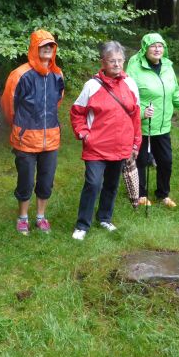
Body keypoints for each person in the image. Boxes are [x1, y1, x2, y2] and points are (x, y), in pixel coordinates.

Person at [70, 41, 141, 240]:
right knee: (93, 183)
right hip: (96, 147)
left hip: (121, 146)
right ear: (103, 62)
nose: (117, 64)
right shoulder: (92, 86)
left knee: (112, 184)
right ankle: (82, 225)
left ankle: (105, 218)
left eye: (120, 60)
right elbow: (77, 112)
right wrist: (84, 133)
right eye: (112, 61)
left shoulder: (130, 84)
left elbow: (136, 116)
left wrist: (136, 143)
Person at [125, 32, 179, 207]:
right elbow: (127, 97)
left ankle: (163, 194)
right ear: (145, 48)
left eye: (160, 46)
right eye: (153, 46)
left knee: (166, 161)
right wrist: (140, 113)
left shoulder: (168, 67)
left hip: (162, 126)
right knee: (141, 160)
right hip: (144, 124)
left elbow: (175, 93)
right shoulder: (134, 68)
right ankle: (140, 194)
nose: (157, 49)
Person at [0, 29, 65, 234]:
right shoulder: (20, 75)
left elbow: (57, 101)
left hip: (51, 139)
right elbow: (9, 105)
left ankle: (40, 216)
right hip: (26, 138)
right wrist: (20, 126)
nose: (47, 49)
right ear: (34, 48)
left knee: (46, 180)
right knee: (25, 180)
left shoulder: (57, 74)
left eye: (51, 46)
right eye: (43, 45)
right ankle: (22, 217)